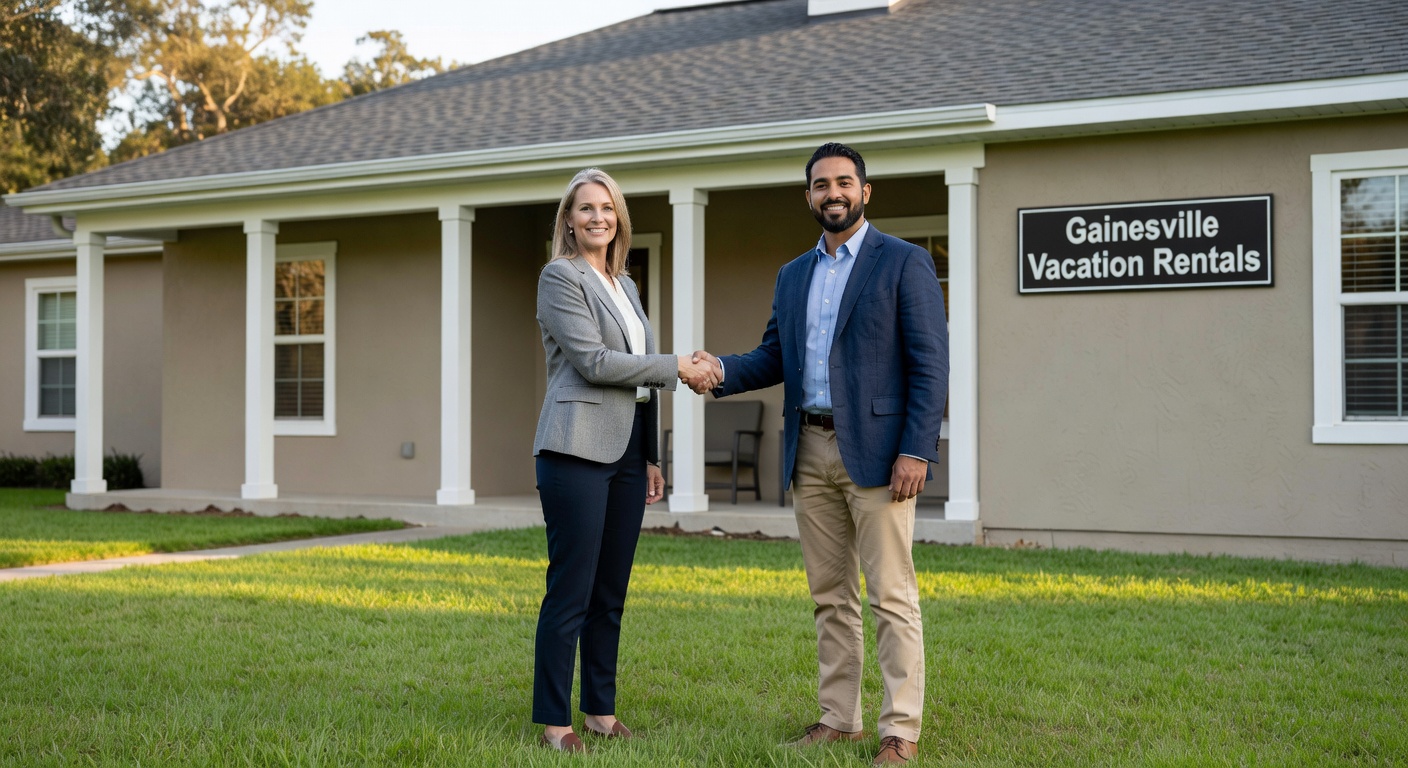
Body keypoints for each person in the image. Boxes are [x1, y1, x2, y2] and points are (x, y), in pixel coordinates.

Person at [691, 143, 948, 765]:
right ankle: (840, 718)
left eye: (844, 182)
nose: (833, 193)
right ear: (807, 196)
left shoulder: (904, 261)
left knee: (891, 595)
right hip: (808, 448)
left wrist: (917, 449)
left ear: (865, 191)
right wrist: (719, 369)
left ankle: (900, 730)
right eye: (821, 184)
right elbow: (774, 356)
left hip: (880, 454)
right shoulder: (793, 275)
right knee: (830, 595)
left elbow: (930, 364)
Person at [532, 167, 718, 753]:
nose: (598, 217)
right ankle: (555, 723)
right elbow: (594, 362)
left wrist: (651, 456)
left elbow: (638, 382)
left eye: (607, 207)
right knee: (572, 590)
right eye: (586, 208)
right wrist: (677, 365)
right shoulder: (560, 277)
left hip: (627, 453)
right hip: (575, 448)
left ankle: (600, 712)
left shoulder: (626, 286)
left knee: (611, 591)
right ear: (568, 220)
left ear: (619, 219)